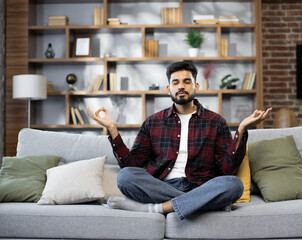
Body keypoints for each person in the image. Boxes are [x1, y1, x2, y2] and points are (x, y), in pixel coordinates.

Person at [88, 61, 271, 220]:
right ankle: (203, 203)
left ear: (196, 87)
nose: (181, 86)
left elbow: (227, 169)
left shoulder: (216, 122)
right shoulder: (153, 122)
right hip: (162, 186)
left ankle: (159, 208)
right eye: (175, 82)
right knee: (125, 177)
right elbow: (133, 166)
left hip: (201, 185)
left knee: (233, 184)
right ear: (169, 88)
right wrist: (112, 130)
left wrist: (241, 130)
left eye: (186, 81)